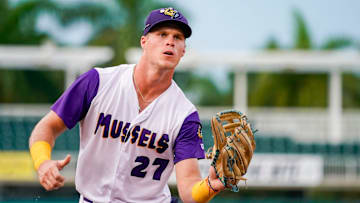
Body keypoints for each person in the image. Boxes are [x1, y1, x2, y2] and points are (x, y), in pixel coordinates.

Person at [29, 7, 225, 203]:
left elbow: (189, 191)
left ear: (183, 50)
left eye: (178, 37)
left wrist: (211, 185)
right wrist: (43, 162)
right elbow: (47, 127)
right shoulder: (98, 82)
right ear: (144, 41)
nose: (170, 42)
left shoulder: (185, 114)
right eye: (162, 34)